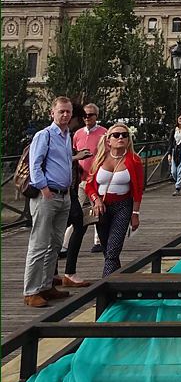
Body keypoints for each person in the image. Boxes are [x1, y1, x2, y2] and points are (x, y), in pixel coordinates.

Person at [22, 97, 74, 307]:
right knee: (39, 243)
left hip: (63, 194)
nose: (65, 115)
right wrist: (44, 188)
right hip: (48, 194)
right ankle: (31, 290)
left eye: (68, 112)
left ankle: (46, 285)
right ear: (52, 112)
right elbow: (34, 164)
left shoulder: (66, 135)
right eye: (61, 111)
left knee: (54, 244)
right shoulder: (44, 135)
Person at [86, 123, 144, 276]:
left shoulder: (134, 160)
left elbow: (138, 189)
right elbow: (89, 185)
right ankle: (118, 281)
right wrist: (96, 200)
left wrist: (135, 213)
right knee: (107, 249)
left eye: (124, 135)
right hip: (102, 208)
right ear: (108, 140)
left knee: (113, 248)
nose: (120, 138)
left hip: (123, 206)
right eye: (116, 135)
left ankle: (105, 286)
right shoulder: (99, 158)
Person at [57, 103, 92, 287]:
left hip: (68, 189)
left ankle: (62, 272)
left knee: (77, 223)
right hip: (54, 192)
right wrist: (76, 158)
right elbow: (51, 160)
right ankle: (63, 272)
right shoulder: (51, 135)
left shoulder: (66, 135)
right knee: (54, 232)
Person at [72, 103, 107, 253]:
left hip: (96, 178)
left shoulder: (104, 133)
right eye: (84, 115)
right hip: (80, 178)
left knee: (97, 208)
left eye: (90, 115)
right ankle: (68, 243)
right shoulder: (78, 133)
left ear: (96, 116)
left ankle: (98, 241)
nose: (87, 118)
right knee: (75, 210)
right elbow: (74, 151)